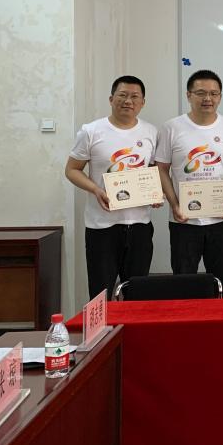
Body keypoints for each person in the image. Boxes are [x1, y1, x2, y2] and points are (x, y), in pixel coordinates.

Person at [65, 76, 160, 299]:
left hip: (140, 225)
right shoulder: (91, 131)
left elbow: (152, 170)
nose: (128, 101)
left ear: (143, 102)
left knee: (137, 293)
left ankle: (133, 324)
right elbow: (72, 170)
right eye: (122, 95)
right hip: (102, 226)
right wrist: (96, 189)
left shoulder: (151, 132)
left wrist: (155, 192)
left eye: (134, 96)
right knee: (100, 293)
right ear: (111, 99)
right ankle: (102, 325)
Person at [156, 69, 223, 296]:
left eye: (214, 93)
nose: (208, 98)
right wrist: (174, 204)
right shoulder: (171, 127)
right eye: (201, 93)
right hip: (184, 221)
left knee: (222, 281)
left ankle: (221, 318)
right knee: (184, 282)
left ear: (220, 96)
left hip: (221, 219)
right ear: (188, 95)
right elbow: (161, 169)